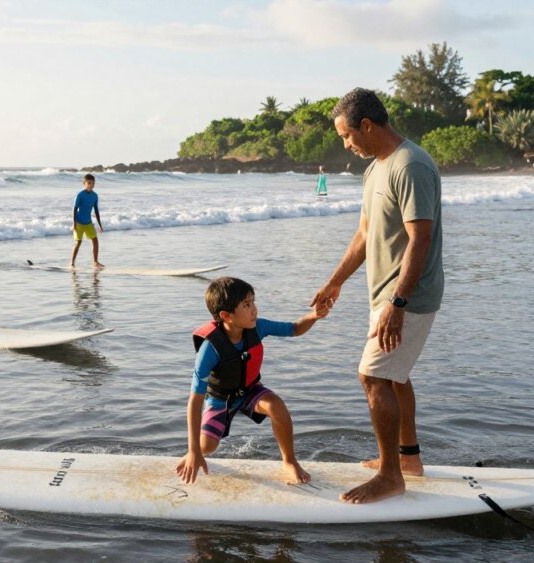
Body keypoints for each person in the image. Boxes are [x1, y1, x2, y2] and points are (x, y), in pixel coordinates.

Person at [309, 88, 443, 504]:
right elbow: (367, 233)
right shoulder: (375, 170)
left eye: (347, 136)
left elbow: (422, 237)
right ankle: (408, 460)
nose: (346, 145)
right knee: (393, 374)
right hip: (384, 294)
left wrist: (398, 304)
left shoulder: (411, 165)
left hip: (408, 295)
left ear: (366, 125)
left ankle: (390, 476)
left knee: (373, 375)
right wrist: (336, 281)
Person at [177, 277, 329, 486]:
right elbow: (195, 401)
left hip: (250, 391)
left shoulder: (258, 327)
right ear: (226, 316)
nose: (254, 309)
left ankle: (289, 461)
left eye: (253, 302)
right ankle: (193, 454)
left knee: (277, 406)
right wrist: (194, 451)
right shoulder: (209, 350)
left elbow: (294, 328)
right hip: (220, 399)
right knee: (207, 446)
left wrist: (314, 316)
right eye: (246, 305)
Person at [70, 173, 104, 268]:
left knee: (95, 241)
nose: (91, 185)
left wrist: (100, 225)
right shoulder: (80, 195)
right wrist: (74, 223)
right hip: (79, 222)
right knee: (78, 242)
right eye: (89, 183)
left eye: (92, 183)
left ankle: (95, 262)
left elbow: (96, 210)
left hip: (88, 223)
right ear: (84, 183)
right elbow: (74, 209)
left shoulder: (95, 196)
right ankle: (72, 263)